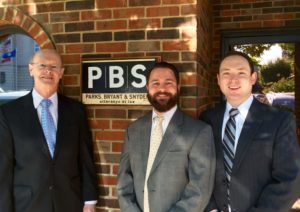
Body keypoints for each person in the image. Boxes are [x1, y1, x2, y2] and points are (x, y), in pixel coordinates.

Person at [199, 51, 300, 212]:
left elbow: (290, 179)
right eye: (226, 73)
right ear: (218, 80)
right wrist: (210, 208)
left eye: (241, 73)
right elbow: (200, 170)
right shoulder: (207, 119)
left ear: (253, 78)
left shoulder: (280, 120)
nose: (233, 80)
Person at [0, 49, 98, 212]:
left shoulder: (76, 111)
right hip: (27, 205)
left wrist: (90, 201)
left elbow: (85, 158)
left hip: (69, 202)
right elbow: (3, 168)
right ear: (31, 69)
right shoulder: (9, 114)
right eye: (42, 65)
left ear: (61, 72)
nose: (48, 71)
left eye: (54, 67)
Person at [117, 61, 216, 212]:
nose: (162, 88)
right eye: (155, 83)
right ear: (147, 88)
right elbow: (124, 180)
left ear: (178, 87)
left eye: (168, 83)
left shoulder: (199, 131)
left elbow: (200, 189)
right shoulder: (133, 130)